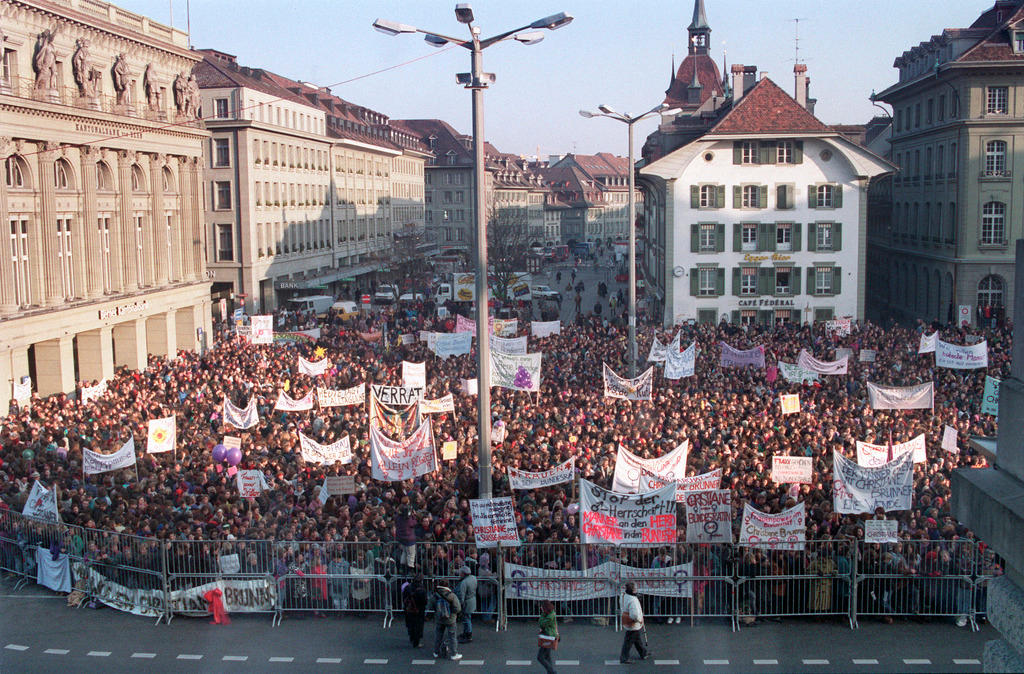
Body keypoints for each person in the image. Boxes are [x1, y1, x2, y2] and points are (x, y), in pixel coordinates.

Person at [619, 582, 649, 664]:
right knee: (629, 640)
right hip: (633, 622)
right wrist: (639, 620)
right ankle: (624, 657)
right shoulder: (633, 600)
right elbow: (634, 614)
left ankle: (643, 653)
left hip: (626, 618)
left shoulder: (623, 596)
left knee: (636, 638)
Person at [432, 583, 462, 661]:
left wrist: (437, 612)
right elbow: (458, 608)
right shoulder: (452, 595)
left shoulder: (435, 595)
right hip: (450, 619)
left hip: (439, 618)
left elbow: (431, 605)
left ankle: (436, 652)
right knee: (452, 636)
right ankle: (454, 654)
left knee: (438, 636)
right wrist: (452, 613)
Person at [401, 573, 428, 648]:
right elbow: (424, 601)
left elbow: (404, 598)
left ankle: (411, 637)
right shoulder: (421, 589)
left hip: (408, 609)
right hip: (418, 609)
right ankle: (416, 642)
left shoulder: (408, 587)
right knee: (418, 626)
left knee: (410, 624)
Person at [455, 565, 477, 643]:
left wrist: (459, 605)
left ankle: (468, 634)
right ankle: (466, 632)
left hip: (467, 602)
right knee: (467, 618)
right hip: (472, 600)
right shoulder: (473, 578)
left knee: (466, 619)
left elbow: (462, 596)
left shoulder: (464, 582)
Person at [537, 599, 558, 674]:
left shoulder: (549, 616)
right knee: (547, 656)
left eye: (541, 607)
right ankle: (550, 671)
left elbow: (542, 623)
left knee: (540, 657)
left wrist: (542, 616)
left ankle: (551, 671)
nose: (540, 608)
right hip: (550, 636)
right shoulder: (550, 614)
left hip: (548, 637)